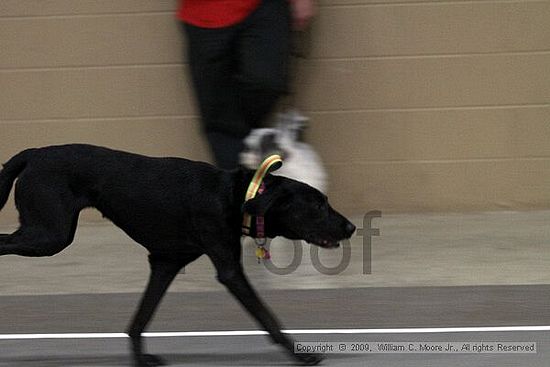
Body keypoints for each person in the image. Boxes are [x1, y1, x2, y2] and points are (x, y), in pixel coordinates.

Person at [177, 0, 315, 169]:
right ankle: (245, 184)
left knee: (267, 81)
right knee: (217, 112)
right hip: (202, 13)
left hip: (264, 6)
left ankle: (250, 150)